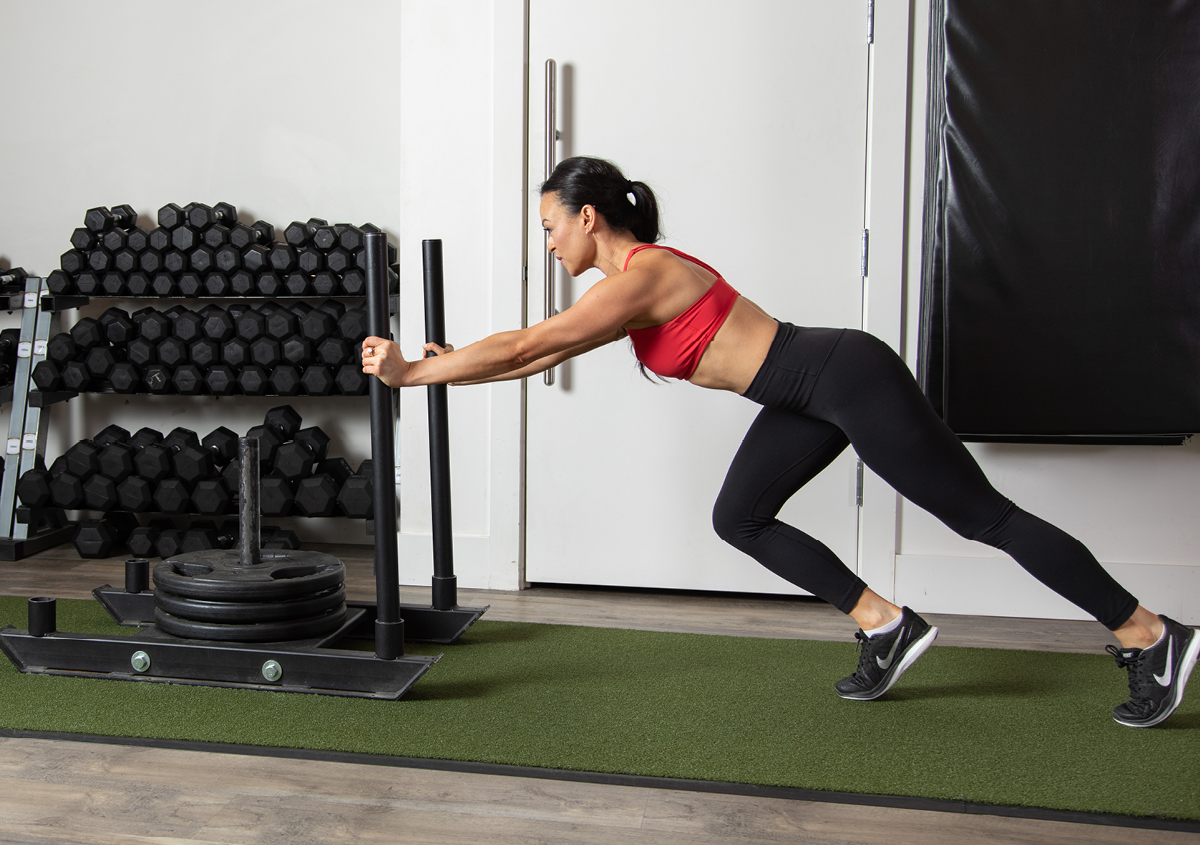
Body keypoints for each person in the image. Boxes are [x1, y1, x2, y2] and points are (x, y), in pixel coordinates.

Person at [362, 156, 1198, 728]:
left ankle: (1152, 635)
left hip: (845, 376)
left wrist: (414, 373)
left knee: (985, 518)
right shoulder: (623, 289)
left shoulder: (645, 275)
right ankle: (884, 624)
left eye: (550, 225)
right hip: (803, 393)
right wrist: (440, 369)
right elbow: (532, 355)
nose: (547, 242)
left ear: (588, 217)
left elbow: (526, 343)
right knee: (741, 517)